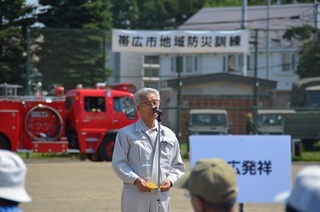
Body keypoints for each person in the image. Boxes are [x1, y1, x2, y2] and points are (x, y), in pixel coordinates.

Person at [112, 87, 185, 212]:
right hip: (135, 193)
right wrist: (135, 180)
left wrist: (170, 180)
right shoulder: (126, 133)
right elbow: (119, 163)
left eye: (155, 102)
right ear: (138, 107)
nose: (153, 106)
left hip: (160, 194)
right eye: (147, 103)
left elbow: (177, 166)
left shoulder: (169, 135)